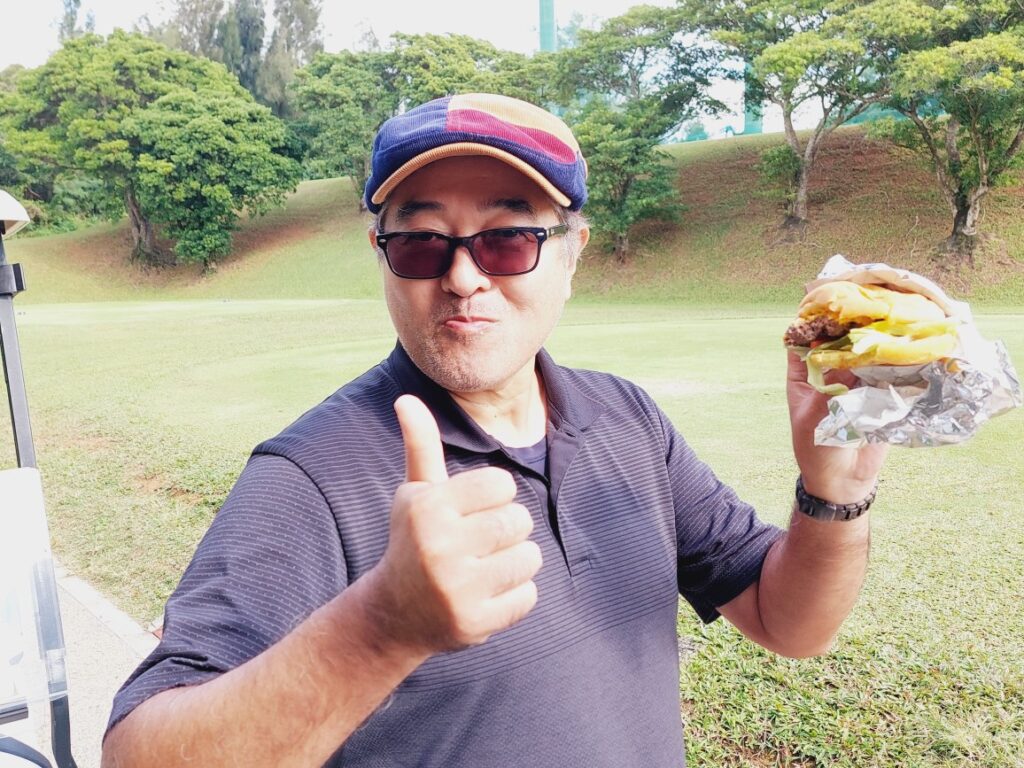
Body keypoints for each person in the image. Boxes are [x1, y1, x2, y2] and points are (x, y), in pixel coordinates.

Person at [101, 93, 887, 767]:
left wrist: (834, 492)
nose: (463, 277)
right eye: (421, 243)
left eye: (508, 239)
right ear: (382, 256)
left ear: (572, 255)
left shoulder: (630, 420)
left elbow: (789, 622)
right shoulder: (311, 476)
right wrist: (380, 629)